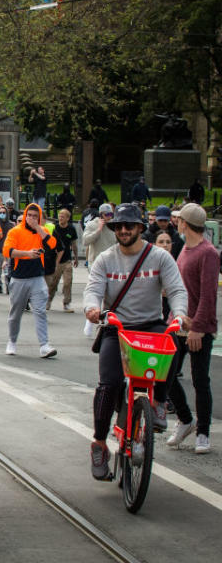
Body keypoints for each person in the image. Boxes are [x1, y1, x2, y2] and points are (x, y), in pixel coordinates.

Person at [83, 203, 188, 479]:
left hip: (150, 325)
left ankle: (160, 403)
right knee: (109, 384)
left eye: (130, 225)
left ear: (141, 228)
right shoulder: (105, 259)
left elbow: (177, 289)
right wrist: (93, 309)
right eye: (119, 226)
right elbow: (92, 290)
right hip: (115, 327)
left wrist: (178, 315)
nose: (124, 230)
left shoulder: (160, 257)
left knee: (173, 345)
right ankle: (100, 443)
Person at [166, 203, 216, 454]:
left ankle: (203, 433)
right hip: (178, 324)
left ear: (186, 223)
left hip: (198, 328)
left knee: (200, 380)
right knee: (166, 374)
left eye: (179, 219)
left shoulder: (208, 253)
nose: (176, 222)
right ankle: (186, 420)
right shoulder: (184, 248)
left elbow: (208, 295)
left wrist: (197, 328)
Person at [3, 203, 59, 358]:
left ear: (40, 218)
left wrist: (39, 229)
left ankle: (44, 345)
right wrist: (27, 253)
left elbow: (53, 244)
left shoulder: (43, 231)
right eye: (30, 215)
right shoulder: (15, 231)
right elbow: (7, 251)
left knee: (40, 311)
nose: (32, 219)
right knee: (16, 313)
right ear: (25, 216)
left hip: (37, 277)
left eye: (36, 216)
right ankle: (12, 341)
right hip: (19, 277)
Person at [46, 209, 78, 313]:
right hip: (55, 260)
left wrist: (76, 257)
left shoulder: (71, 229)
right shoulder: (54, 227)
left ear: (68, 218)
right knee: (53, 283)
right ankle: (48, 300)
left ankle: (67, 303)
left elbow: (74, 244)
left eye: (63, 216)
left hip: (67, 260)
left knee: (68, 282)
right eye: (60, 215)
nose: (61, 218)